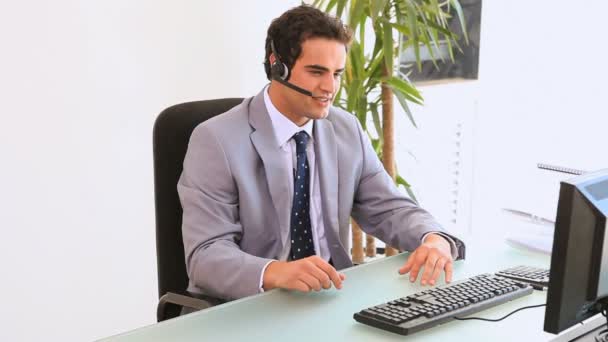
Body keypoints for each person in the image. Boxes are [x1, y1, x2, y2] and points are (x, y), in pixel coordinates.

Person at [178, 4, 465, 303]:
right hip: (251, 305)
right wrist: (277, 272)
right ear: (278, 66)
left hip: (328, 298)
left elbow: (390, 208)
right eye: (316, 72)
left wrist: (433, 238)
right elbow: (205, 256)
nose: (330, 87)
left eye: (337, 73)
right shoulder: (216, 140)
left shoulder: (345, 129)